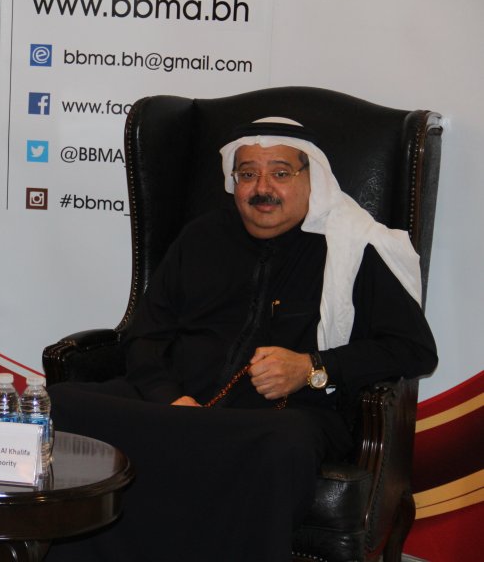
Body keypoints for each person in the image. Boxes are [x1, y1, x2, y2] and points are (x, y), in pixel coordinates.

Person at [46, 118, 437, 561]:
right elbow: (145, 335)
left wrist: (312, 367)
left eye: (280, 173)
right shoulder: (201, 237)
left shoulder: (353, 247)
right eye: (248, 173)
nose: (261, 188)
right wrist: (169, 398)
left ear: (313, 178)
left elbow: (414, 350)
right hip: (174, 406)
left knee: (282, 446)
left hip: (276, 418)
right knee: (60, 405)